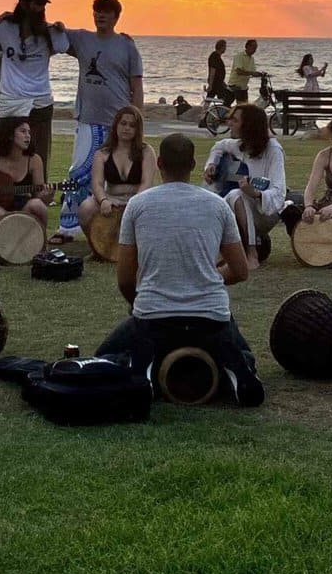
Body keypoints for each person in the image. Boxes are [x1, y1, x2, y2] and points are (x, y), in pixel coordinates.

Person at [94, 132, 256, 390]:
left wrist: (139, 302)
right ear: (193, 165)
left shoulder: (138, 206)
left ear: (159, 163)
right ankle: (233, 369)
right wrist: (206, 278)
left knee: (103, 357)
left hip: (154, 316)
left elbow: (125, 278)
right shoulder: (217, 205)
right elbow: (241, 271)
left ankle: (141, 369)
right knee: (244, 353)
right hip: (210, 317)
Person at [57, 0, 145, 239]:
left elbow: (136, 85)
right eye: (96, 11)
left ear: (116, 17)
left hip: (119, 121)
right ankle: (68, 226)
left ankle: (111, 226)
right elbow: (55, 34)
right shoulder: (82, 39)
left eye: (106, 12)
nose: (100, 16)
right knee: (80, 171)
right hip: (88, 119)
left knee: (116, 176)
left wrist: (137, 118)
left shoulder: (127, 46)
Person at [0, 0, 70, 176]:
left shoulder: (51, 32)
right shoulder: (4, 27)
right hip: (11, 99)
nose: (41, 9)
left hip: (40, 100)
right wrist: (0, 17)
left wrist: (60, 28)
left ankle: (38, 195)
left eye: (44, 5)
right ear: (24, 5)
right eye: (37, 5)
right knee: (3, 150)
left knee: (39, 152)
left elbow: (65, 45)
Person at [204, 103, 289, 265]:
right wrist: (211, 164)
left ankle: (252, 253)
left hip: (264, 213)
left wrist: (256, 194)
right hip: (239, 209)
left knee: (237, 194)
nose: (230, 124)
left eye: (235, 121)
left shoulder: (273, 150)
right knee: (215, 199)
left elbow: (279, 193)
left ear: (249, 125)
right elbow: (218, 146)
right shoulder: (239, 146)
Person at [0, 115, 54, 239]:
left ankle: (41, 247)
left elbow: (37, 195)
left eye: (29, 132)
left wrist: (46, 196)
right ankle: (5, 249)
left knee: (38, 205)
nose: (28, 135)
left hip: (22, 207)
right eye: (23, 131)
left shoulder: (34, 160)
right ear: (10, 135)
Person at [77, 104, 158, 236]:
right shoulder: (102, 153)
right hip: (111, 198)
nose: (127, 128)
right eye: (123, 123)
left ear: (138, 130)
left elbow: (146, 183)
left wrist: (133, 203)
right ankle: (96, 248)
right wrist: (103, 200)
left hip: (138, 198)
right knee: (86, 208)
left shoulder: (146, 151)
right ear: (116, 126)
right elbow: (97, 184)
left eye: (132, 125)